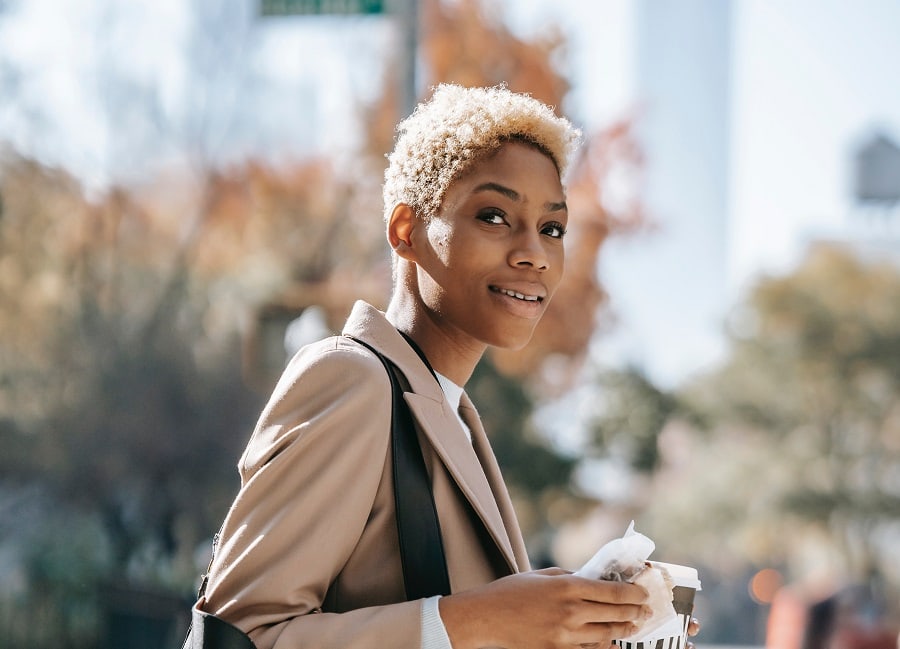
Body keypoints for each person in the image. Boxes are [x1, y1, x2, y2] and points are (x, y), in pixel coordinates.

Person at [197, 84, 674, 649]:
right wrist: (481, 619)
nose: (534, 253)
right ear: (406, 231)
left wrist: (586, 627)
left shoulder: (453, 412)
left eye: (552, 228)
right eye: (495, 216)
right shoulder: (352, 379)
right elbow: (243, 635)